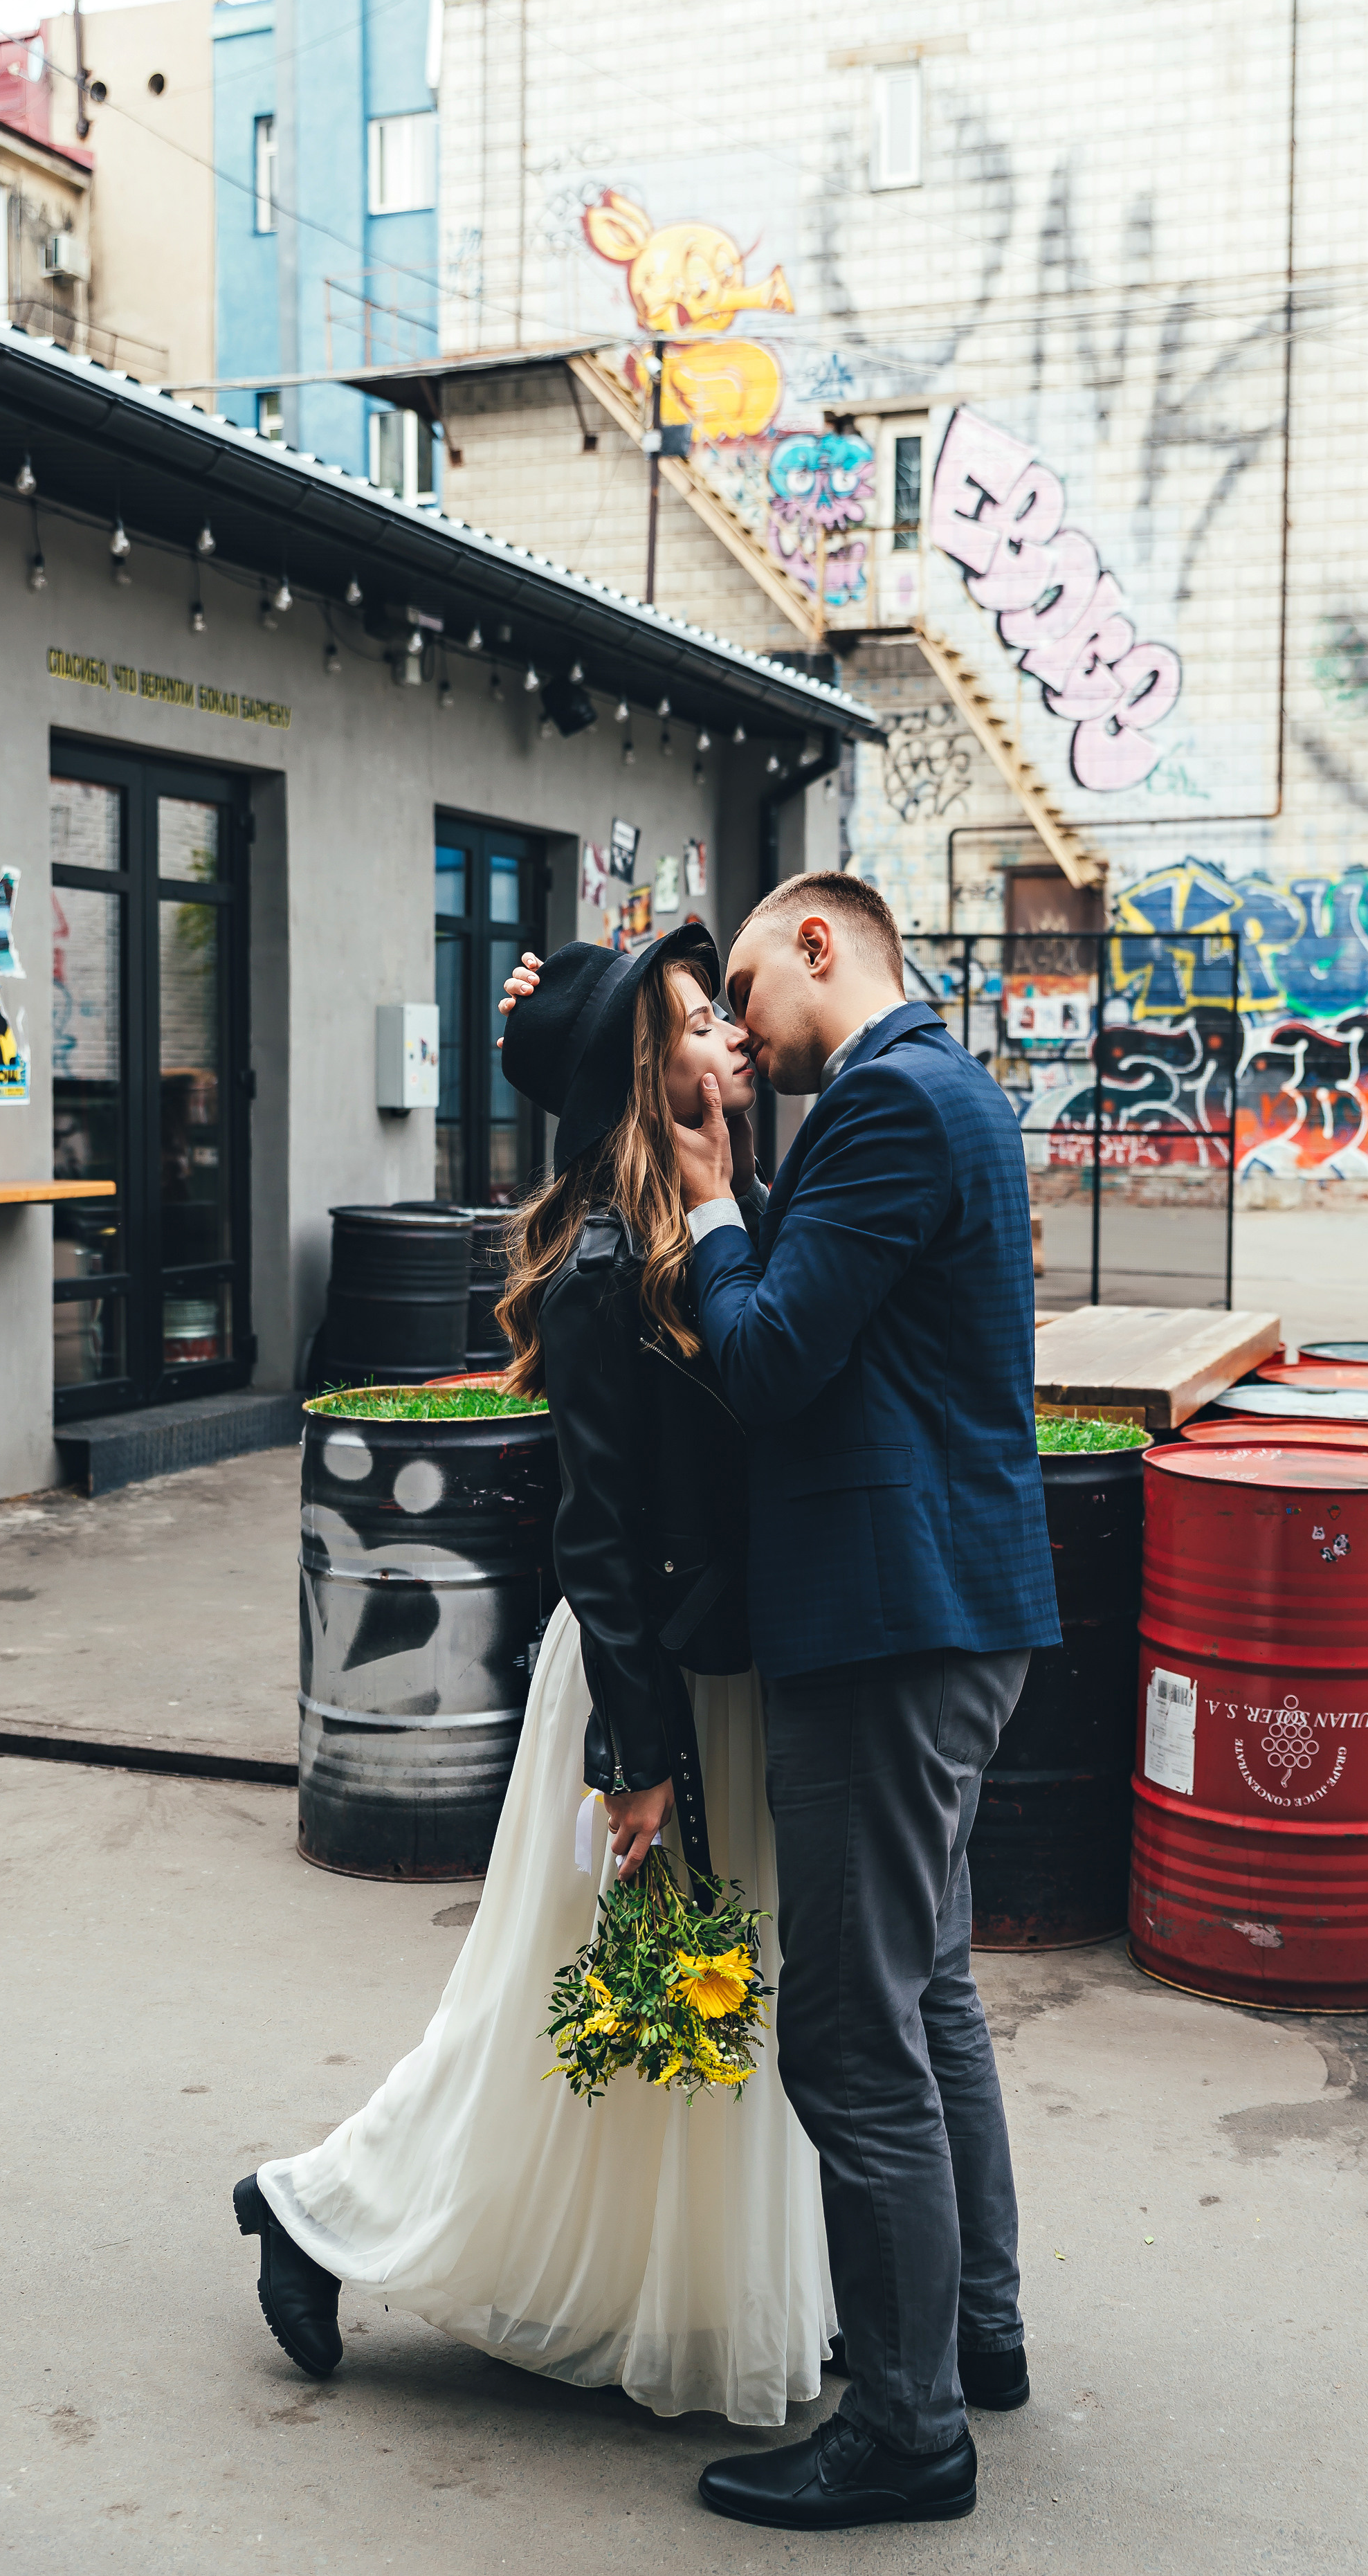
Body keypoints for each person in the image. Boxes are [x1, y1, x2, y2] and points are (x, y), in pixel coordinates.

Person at [502, 871, 1061, 2534]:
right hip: (937, 1613)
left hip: (890, 1627)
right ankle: (976, 2334)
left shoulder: (890, 1107)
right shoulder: (933, 1092)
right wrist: (564, 1009)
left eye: (740, 985)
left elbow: (762, 1358)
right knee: (930, 1994)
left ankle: (905, 2434)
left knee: (847, 2034)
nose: (733, 1026)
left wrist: (721, 1203)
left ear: (820, 946)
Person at [231, 920, 834, 2429]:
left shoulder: (740, 1203)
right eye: (701, 1019)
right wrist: (631, 1757)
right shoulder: (602, 1267)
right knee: (545, 2007)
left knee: (701, 2012)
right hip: (645, 1694)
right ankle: (312, 2208)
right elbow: (601, 1537)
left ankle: (684, 2295)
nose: (736, 1036)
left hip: (729, 1684)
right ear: (646, 1067)